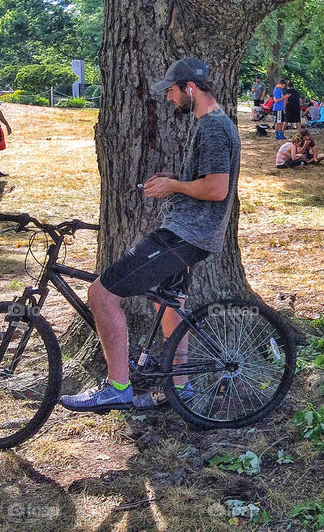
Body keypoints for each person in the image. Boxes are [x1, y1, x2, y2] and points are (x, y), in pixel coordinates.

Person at [59, 57, 241, 412]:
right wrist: (173, 183)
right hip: (193, 235)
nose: (170, 98)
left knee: (101, 294)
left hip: (184, 236)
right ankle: (183, 389)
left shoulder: (213, 128)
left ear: (190, 88)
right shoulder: (214, 124)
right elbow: (206, 182)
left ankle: (117, 388)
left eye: (172, 91)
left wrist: (174, 184)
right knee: (170, 305)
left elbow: (218, 189)